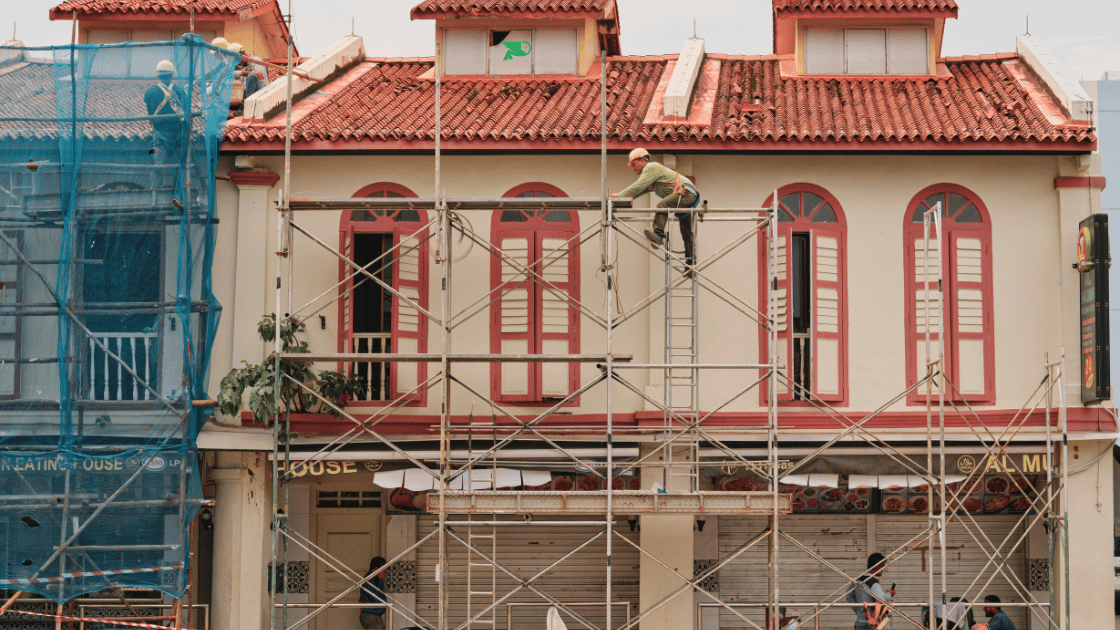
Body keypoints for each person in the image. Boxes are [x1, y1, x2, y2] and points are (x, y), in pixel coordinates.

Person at [611, 148, 701, 274]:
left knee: (662, 205)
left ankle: (658, 235)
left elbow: (638, 186)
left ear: (642, 160)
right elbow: (639, 191)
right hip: (686, 196)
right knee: (687, 232)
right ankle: (691, 267)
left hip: (686, 193)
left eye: (633, 164)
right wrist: (620, 201)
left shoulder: (651, 167)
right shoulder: (653, 177)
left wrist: (619, 196)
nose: (632, 167)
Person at [144, 60, 187, 171]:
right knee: (179, 167)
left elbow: (150, 114)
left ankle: (155, 188)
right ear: (172, 76)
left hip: (159, 134)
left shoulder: (150, 92)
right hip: (177, 134)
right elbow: (186, 112)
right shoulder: (179, 91)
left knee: (157, 165)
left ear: (158, 75)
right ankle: (179, 187)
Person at [846, 553, 894, 630]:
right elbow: (882, 600)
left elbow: (849, 595)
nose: (883, 570)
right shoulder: (873, 582)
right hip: (871, 623)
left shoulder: (859, 579)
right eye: (883, 567)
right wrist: (889, 594)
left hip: (860, 621)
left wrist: (860, 612)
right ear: (878, 567)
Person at [359, 556, 387, 629]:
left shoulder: (373, 580)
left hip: (374, 616)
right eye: (384, 571)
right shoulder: (369, 581)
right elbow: (378, 599)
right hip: (371, 617)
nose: (385, 574)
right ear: (376, 569)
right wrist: (381, 580)